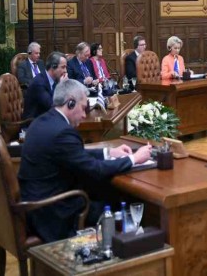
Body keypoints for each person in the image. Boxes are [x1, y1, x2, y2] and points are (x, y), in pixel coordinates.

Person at [19, 79, 153, 242]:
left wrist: (109, 152)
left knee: (103, 190)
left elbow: (75, 154)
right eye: (83, 108)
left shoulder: (41, 122)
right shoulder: (63, 132)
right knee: (119, 198)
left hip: (34, 206)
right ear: (70, 103)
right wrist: (134, 158)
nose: (84, 116)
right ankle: (131, 247)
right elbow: (95, 170)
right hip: (53, 214)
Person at [23, 52, 68, 120]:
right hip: (34, 122)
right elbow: (52, 105)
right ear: (53, 67)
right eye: (63, 67)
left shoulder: (56, 80)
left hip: (48, 118)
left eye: (66, 67)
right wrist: (61, 86)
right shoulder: (38, 83)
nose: (65, 71)